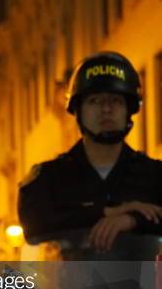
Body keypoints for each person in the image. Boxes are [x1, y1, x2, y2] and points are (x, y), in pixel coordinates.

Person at [18, 51, 162, 251]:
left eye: (116, 101)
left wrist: (132, 220)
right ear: (78, 111)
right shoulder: (48, 178)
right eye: (94, 101)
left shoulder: (155, 175)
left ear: (129, 110)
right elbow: (35, 226)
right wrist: (108, 212)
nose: (106, 109)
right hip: (69, 281)